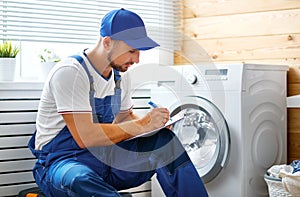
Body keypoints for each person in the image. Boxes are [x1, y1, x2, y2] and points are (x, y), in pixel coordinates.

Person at [28, 8, 209, 197]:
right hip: (62, 164)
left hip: (105, 160)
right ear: (107, 42)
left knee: (164, 142)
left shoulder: (120, 77)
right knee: (80, 178)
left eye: (139, 52)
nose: (137, 59)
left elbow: (125, 118)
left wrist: (155, 126)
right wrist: (144, 123)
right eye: (132, 51)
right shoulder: (70, 72)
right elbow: (85, 137)